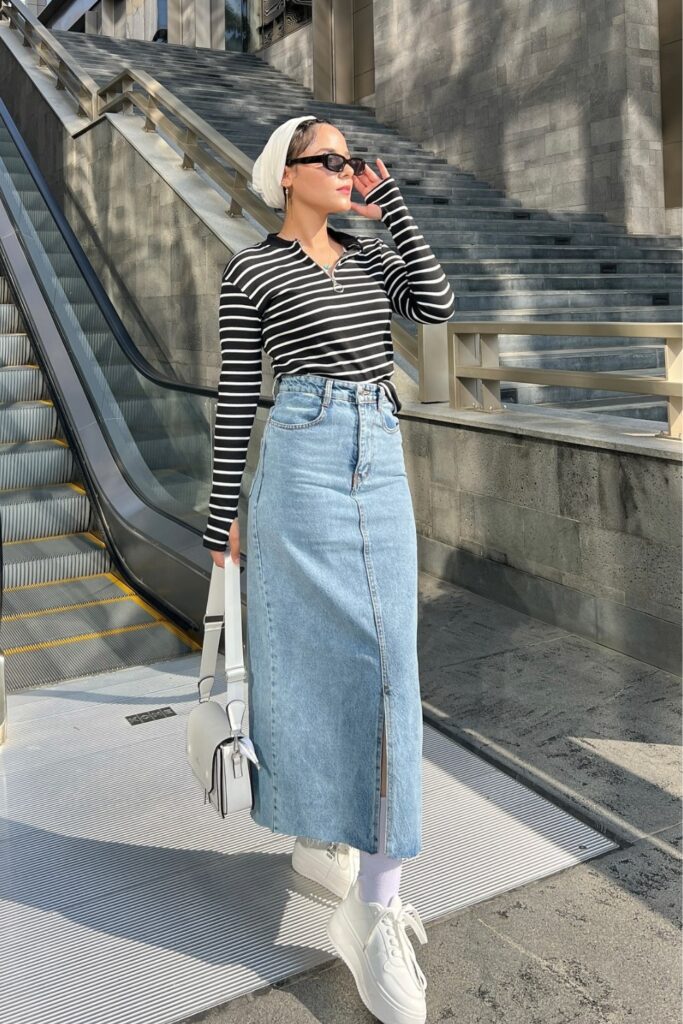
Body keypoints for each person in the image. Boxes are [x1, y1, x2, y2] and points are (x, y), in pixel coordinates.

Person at [202, 114, 455, 1024]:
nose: (349, 171)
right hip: (301, 459)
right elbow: (239, 393)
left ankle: (373, 906)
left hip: (377, 452)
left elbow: (436, 305)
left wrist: (393, 207)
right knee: (304, 660)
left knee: (388, 668)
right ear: (287, 173)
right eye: (333, 161)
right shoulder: (250, 271)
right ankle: (323, 841)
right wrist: (221, 511)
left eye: (353, 161)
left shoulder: (369, 252)